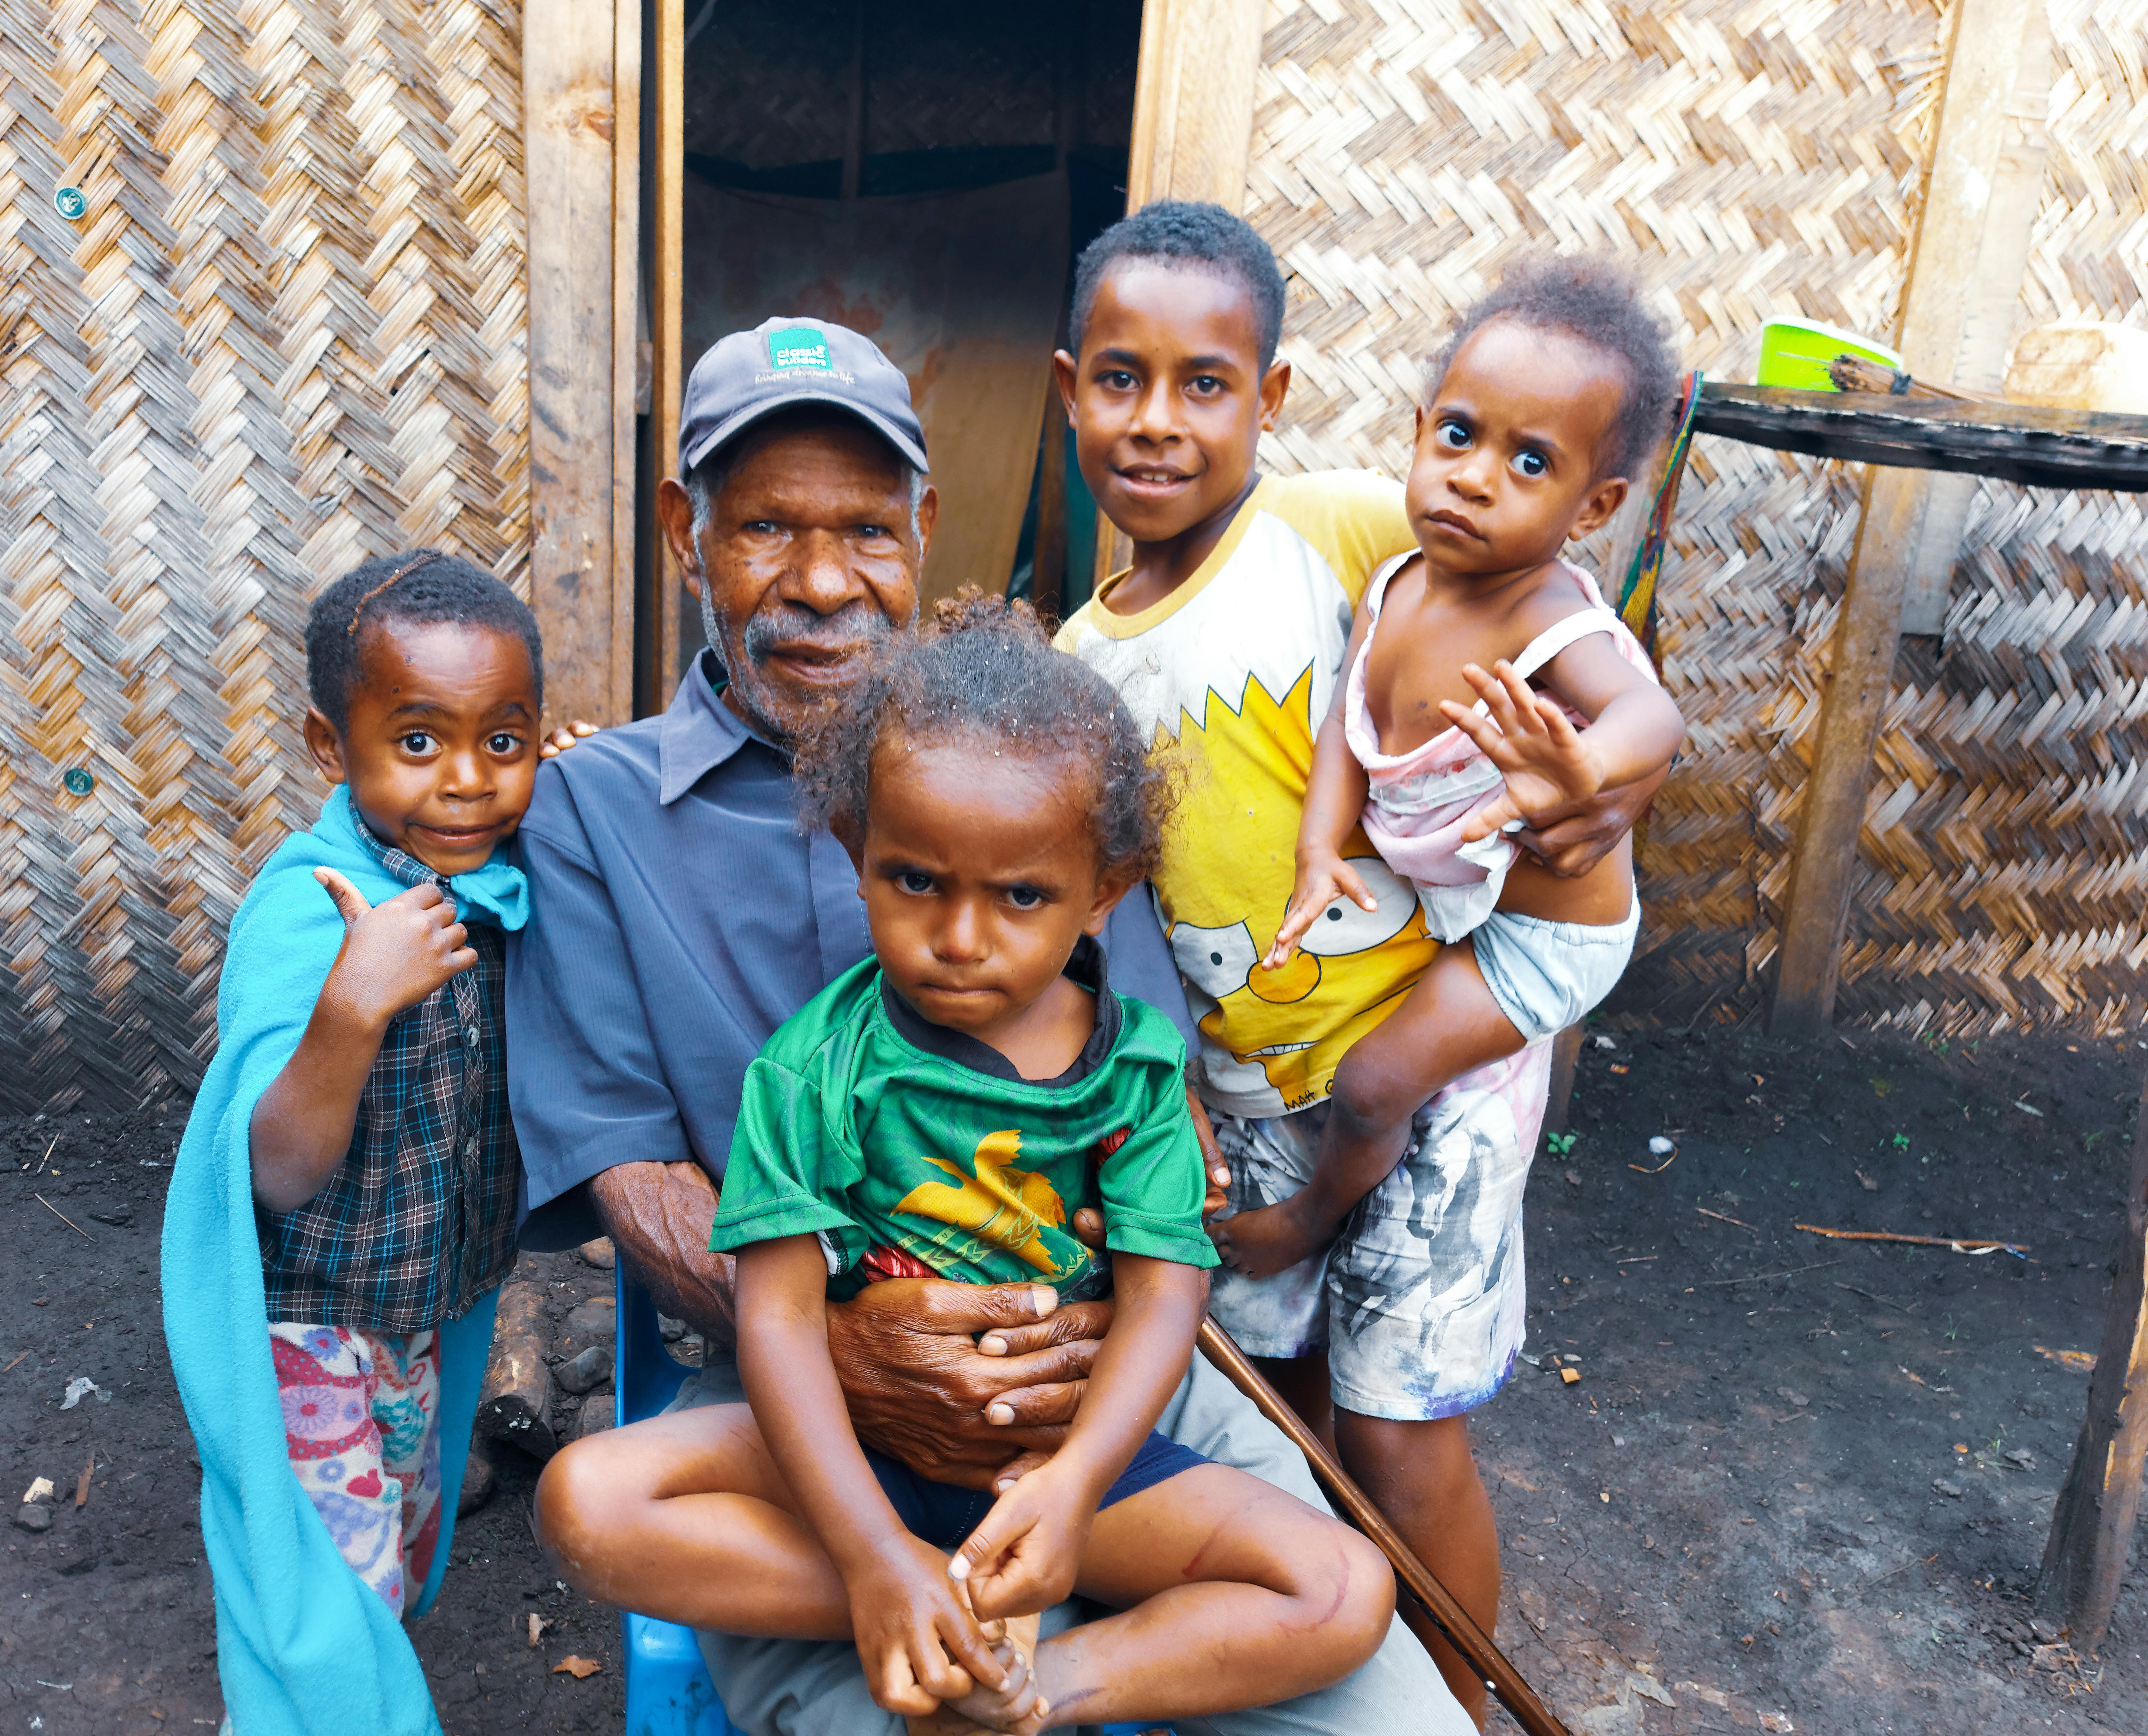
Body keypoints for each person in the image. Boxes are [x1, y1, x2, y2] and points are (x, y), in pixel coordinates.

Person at [511, 314, 1468, 1736]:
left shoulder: (1045, 769)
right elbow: (632, 1180)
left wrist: (1064, 1408)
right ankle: (936, 1609)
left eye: (866, 531)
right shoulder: (593, 813)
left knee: (1385, 1705)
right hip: (816, 1424)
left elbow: (1166, 1160)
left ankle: (1032, 1659)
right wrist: (859, 1359)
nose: (823, 582)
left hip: (1099, 1391)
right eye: (765, 528)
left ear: (925, 527)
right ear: (682, 532)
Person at [566, 594, 1397, 1735]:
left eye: (1019, 896)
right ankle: (911, 1605)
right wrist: (868, 1555)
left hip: (1060, 1461)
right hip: (851, 1456)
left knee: (1343, 1588)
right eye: (915, 881)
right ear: (857, 850)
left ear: (1103, 892)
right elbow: (776, 1323)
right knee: (588, 1503)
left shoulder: (1136, 1072)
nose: (960, 937)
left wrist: (1072, 1487)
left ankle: (1029, 1691)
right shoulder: (812, 1071)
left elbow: (1163, 1293)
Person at [1048, 203, 1663, 1720]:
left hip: (1426, 1059)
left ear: (1273, 397)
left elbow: (1569, 649)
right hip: (1250, 1093)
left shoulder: (1345, 524)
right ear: (1068, 390)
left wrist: (1596, 811)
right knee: (1291, 1411)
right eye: (1120, 380)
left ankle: (1449, 1705)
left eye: (1207, 385)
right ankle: (1336, 1679)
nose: (1158, 422)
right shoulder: (1072, 664)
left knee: (1394, 1426)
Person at [1226, 255, 1686, 1278]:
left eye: (1531, 464)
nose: (1475, 477)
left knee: (1375, 1082)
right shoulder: (1398, 578)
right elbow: (1351, 722)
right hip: (1455, 897)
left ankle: (1315, 1217)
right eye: (1461, 436)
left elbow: (1650, 713)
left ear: (1595, 506)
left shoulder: (1549, 618)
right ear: (1422, 422)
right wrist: (1313, 849)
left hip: (1540, 935)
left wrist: (1583, 768)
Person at [162, 552, 546, 1733]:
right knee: (329, 1607)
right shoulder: (312, 907)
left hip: (416, 1316)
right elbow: (270, 1166)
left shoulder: (484, 871)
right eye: (419, 742)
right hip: (310, 1335)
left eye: (506, 740)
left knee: (394, 1556)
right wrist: (351, 1004)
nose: (470, 784)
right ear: (332, 748)